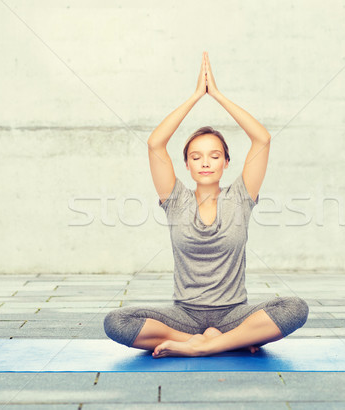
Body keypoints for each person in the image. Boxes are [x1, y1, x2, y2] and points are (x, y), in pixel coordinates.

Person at [103, 51, 308, 358]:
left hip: (233, 314)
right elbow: (155, 143)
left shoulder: (240, 197)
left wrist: (219, 96)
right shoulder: (175, 200)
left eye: (214, 156)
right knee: (116, 322)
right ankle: (224, 341)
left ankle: (207, 344)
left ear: (226, 162)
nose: (205, 163)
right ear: (186, 165)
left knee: (295, 308)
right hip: (184, 317)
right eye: (196, 157)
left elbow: (262, 139)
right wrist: (196, 96)